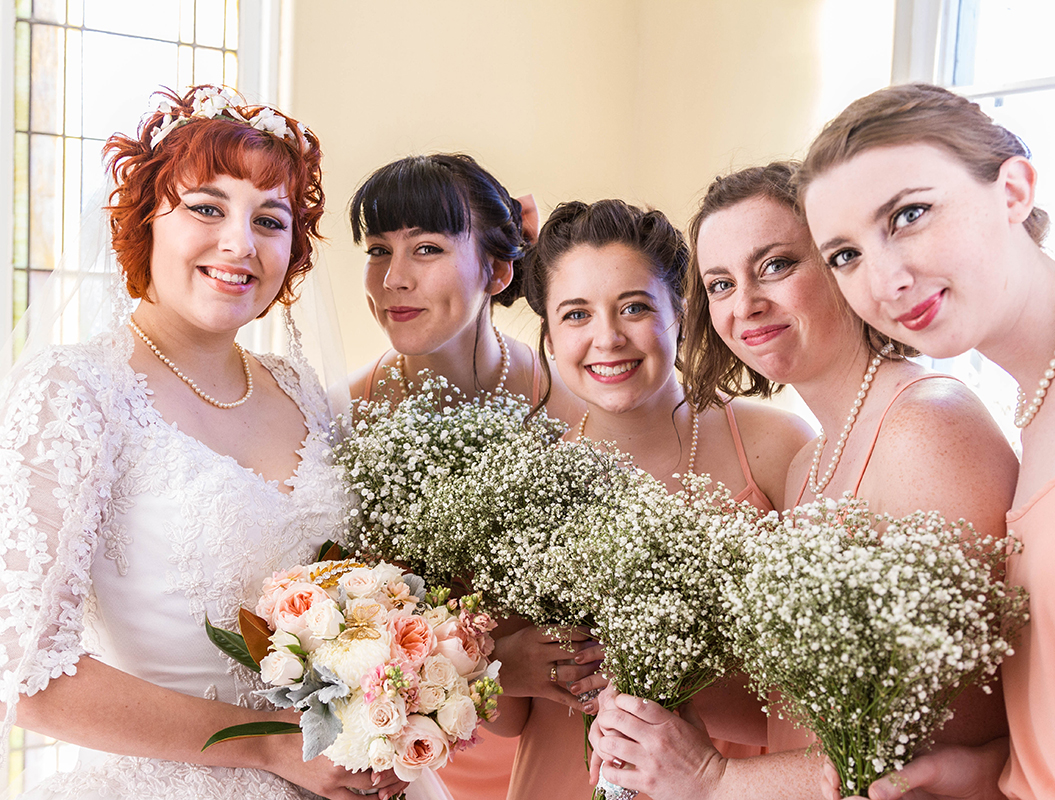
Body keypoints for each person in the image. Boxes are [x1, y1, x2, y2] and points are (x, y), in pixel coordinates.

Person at [0, 86, 443, 800]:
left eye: (269, 220)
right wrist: (272, 749)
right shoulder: (76, 393)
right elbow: (23, 677)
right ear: (145, 221)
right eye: (207, 208)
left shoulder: (299, 390)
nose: (240, 243)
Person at [794, 82, 1055, 800]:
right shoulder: (1033, 406)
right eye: (846, 256)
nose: (886, 279)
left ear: (1014, 189)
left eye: (909, 215)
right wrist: (989, 776)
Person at [587, 162, 1018, 799]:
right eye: (721, 284)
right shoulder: (808, 463)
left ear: (844, 262)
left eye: (776, 265)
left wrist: (713, 780)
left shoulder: (927, 425)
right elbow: (803, 717)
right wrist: (652, 708)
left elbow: (951, 748)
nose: (747, 304)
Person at [504, 198, 812, 799]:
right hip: (563, 776)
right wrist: (493, 657)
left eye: (635, 307)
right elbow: (507, 716)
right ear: (548, 330)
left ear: (682, 312)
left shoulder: (776, 447)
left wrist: (672, 697)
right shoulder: (521, 473)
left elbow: (814, 701)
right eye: (575, 315)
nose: (607, 338)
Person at [345, 153, 586, 800]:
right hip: (411, 749)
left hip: (565, 746)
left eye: (425, 248)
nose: (393, 278)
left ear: (499, 269)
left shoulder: (572, 403)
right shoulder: (347, 421)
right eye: (376, 249)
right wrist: (498, 669)